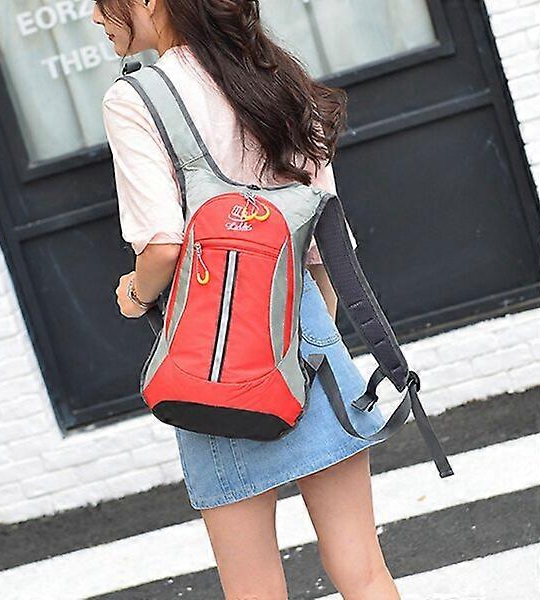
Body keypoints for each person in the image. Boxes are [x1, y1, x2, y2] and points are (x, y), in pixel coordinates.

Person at [93, 1, 400, 598]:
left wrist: (133, 294)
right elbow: (324, 246)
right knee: (363, 567)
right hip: (306, 339)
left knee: (253, 586)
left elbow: (163, 248)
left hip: (211, 356)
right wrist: (312, 339)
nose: (95, 18)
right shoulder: (278, 75)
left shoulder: (134, 99)